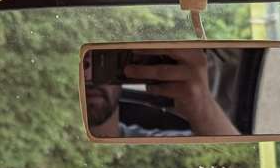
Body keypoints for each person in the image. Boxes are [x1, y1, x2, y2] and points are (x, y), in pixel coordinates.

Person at [84, 48, 240, 138]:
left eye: (100, 62)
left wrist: (202, 109)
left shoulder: (157, 149)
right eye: (81, 64)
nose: (87, 77)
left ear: (124, 68)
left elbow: (233, 158)